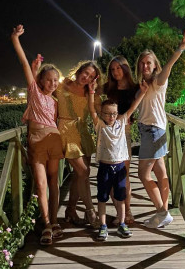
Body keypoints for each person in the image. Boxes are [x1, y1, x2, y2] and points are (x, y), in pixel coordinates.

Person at [11, 24, 64, 245]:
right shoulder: (34, 92)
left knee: (54, 183)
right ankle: (46, 224)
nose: (52, 83)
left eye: (55, 80)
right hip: (37, 142)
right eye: (49, 79)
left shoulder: (55, 101)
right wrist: (15, 39)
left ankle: (55, 221)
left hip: (54, 141)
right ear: (41, 80)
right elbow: (24, 63)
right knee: (41, 184)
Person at [136, 28, 185, 229]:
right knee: (161, 172)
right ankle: (163, 213)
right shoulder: (143, 84)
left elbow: (169, 66)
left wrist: (180, 49)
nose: (145, 65)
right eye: (142, 63)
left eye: (148, 63)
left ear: (155, 65)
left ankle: (162, 212)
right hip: (152, 130)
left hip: (153, 131)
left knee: (143, 175)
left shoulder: (159, 80)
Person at [88, 77, 148, 241]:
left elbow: (132, 108)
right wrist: (92, 92)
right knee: (102, 198)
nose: (111, 116)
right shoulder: (100, 125)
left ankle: (122, 223)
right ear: (102, 114)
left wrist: (143, 92)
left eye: (114, 113)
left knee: (120, 197)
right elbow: (92, 110)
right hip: (105, 167)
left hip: (120, 166)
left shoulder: (121, 123)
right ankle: (103, 226)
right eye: (107, 114)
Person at [56, 61, 102, 227]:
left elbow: (102, 112)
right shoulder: (62, 84)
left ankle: (71, 210)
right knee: (84, 171)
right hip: (65, 130)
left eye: (91, 76)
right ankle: (90, 212)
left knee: (79, 175)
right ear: (79, 71)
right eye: (85, 73)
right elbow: (42, 91)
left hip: (82, 133)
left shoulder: (91, 94)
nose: (86, 77)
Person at [102, 56, 138, 225]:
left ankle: (127, 211)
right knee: (110, 175)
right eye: (112, 69)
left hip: (125, 133)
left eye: (118, 68)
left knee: (123, 174)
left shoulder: (135, 88)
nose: (115, 72)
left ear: (125, 68)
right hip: (108, 134)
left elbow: (140, 103)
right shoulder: (108, 88)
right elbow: (91, 95)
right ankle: (119, 212)